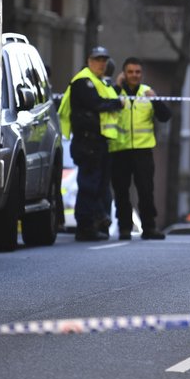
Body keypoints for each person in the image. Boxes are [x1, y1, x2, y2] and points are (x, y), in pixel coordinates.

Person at [58, 46, 123, 241]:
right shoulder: (83, 81)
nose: (101, 63)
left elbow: (106, 98)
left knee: (99, 185)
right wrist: (117, 103)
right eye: (97, 59)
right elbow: (97, 103)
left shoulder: (99, 81)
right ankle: (85, 226)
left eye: (104, 60)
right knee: (89, 185)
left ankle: (96, 223)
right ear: (89, 60)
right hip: (87, 141)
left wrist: (117, 90)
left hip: (99, 142)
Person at [109, 57, 171, 240]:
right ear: (123, 74)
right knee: (121, 191)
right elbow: (106, 108)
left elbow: (165, 116)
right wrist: (117, 88)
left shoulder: (147, 93)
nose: (134, 75)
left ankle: (149, 227)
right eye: (130, 72)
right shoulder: (115, 92)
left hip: (143, 151)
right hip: (119, 150)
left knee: (146, 190)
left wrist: (156, 100)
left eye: (137, 72)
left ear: (141, 74)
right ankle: (124, 228)